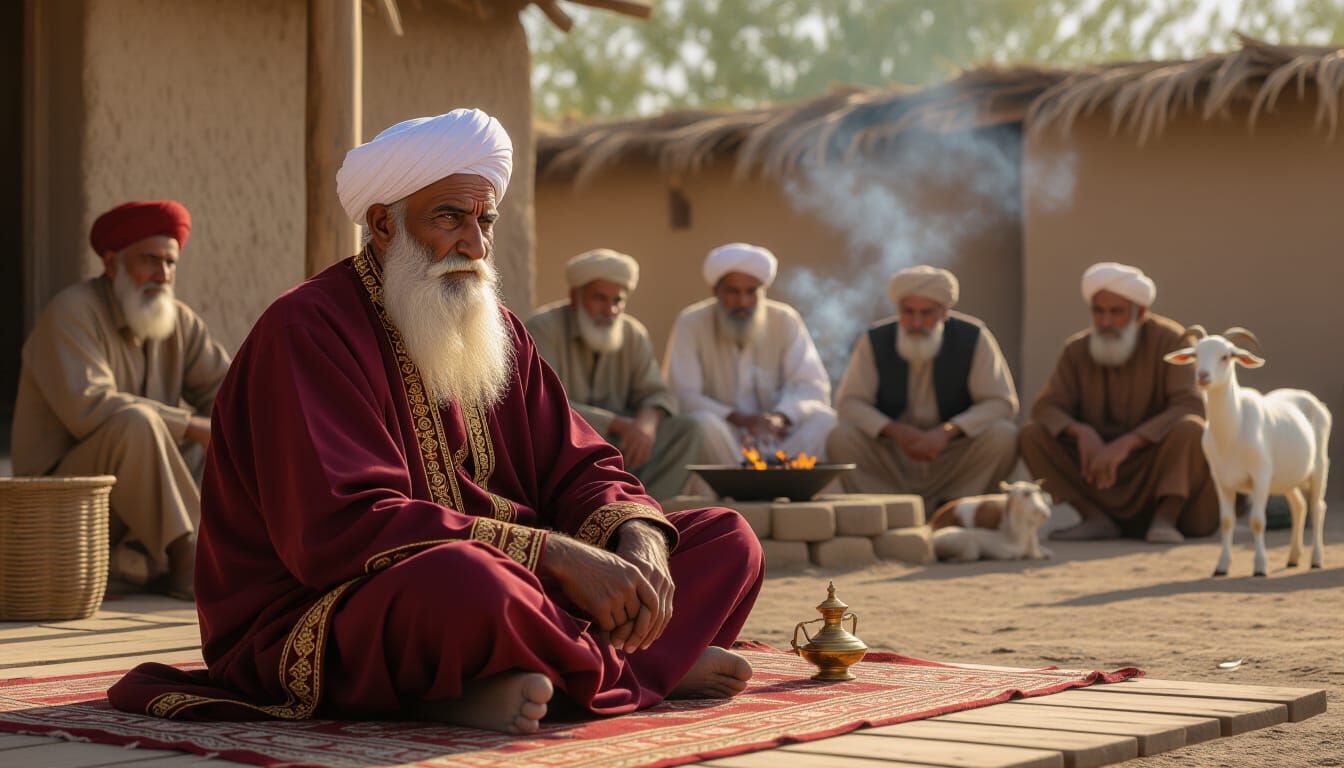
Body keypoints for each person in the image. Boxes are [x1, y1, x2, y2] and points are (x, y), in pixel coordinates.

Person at [108, 109, 762, 734]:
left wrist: (636, 540)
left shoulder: (499, 329)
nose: (474, 244)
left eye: (486, 221)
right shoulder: (305, 330)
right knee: (468, 583)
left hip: (525, 597)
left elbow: (580, 463)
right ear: (383, 225)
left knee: (729, 541)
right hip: (340, 608)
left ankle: (543, 677)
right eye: (450, 217)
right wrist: (555, 555)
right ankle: (648, 668)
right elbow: (342, 529)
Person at [11, 201, 231, 599]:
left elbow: (232, 394)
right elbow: (89, 408)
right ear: (112, 264)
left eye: (170, 262)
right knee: (140, 424)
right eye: (150, 260)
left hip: (129, 500)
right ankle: (188, 563)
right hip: (66, 500)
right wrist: (193, 426)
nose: (162, 275)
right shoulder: (71, 313)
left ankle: (162, 557)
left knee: (227, 432)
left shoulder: (179, 321)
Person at [1019, 262, 1218, 543]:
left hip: (1154, 464)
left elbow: (1190, 405)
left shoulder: (1172, 340)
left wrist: (1129, 443)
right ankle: (1093, 517)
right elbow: (1046, 407)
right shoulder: (1077, 349)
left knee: (1191, 428)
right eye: (1098, 312)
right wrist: (1081, 432)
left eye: (1116, 312)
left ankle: (1166, 517)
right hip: (1098, 469)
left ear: (1140, 313)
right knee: (1032, 435)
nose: (1105, 322)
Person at [827, 266, 1019, 509]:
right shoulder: (875, 339)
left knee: (1003, 436)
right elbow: (850, 403)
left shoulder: (974, 337)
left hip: (952, 453)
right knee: (842, 438)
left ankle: (956, 510)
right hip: (894, 455)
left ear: (944, 313)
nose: (916, 322)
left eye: (926, 313)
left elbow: (1000, 403)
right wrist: (896, 431)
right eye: (909, 312)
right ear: (899, 310)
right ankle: (890, 510)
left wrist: (946, 432)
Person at [527, 249, 701, 500]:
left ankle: (648, 507)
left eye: (617, 301)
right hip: (568, 442)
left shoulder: (632, 333)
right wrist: (617, 424)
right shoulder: (544, 328)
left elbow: (656, 392)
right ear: (575, 297)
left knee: (687, 430)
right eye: (599, 298)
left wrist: (646, 425)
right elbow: (543, 400)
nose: (610, 310)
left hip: (621, 443)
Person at [663, 243, 836, 464]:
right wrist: (741, 419)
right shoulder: (691, 323)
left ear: (762, 291)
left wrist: (780, 417)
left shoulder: (784, 320)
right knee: (701, 423)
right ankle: (736, 487)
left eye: (751, 292)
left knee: (825, 420)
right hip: (726, 437)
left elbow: (813, 387)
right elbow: (682, 395)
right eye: (733, 292)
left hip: (779, 436)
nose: (743, 302)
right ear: (715, 291)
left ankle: (787, 480)